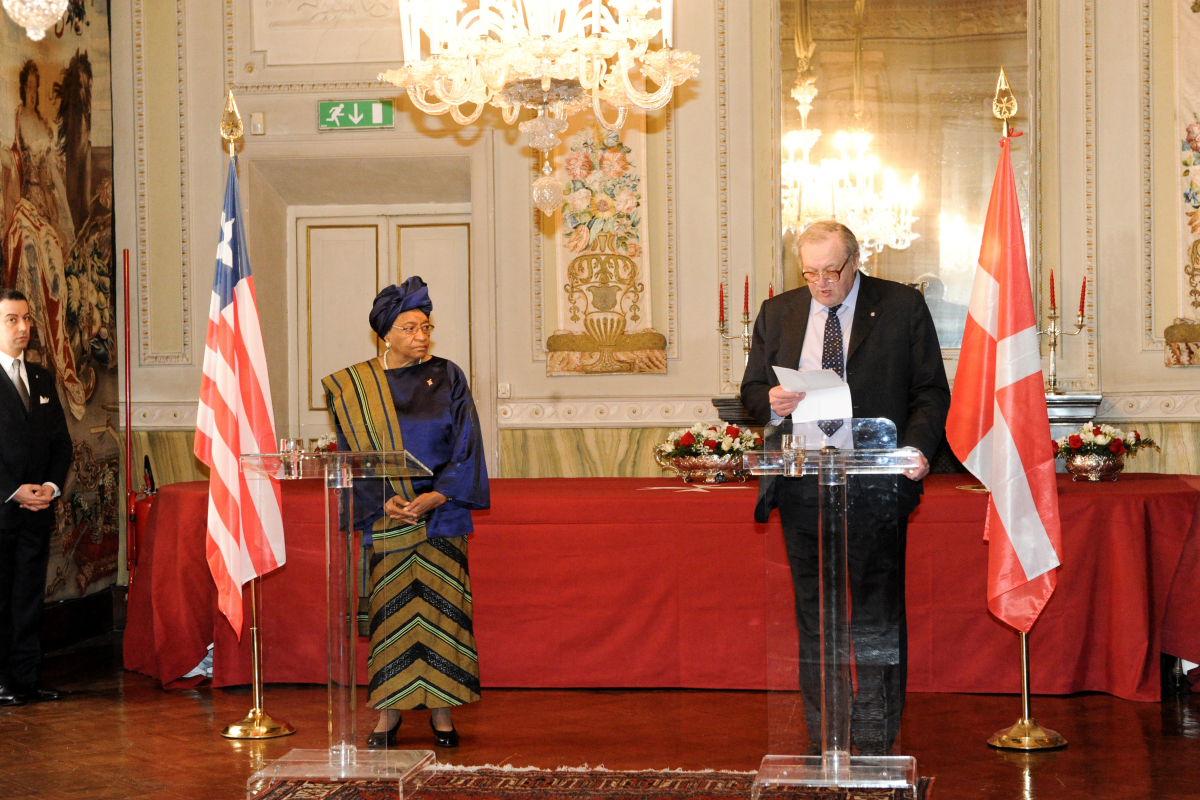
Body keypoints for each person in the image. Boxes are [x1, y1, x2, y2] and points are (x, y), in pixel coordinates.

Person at [741, 221, 950, 754]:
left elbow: (930, 390)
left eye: (830, 272)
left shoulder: (901, 305)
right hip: (802, 484)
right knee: (813, 609)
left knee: (876, 610)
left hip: (876, 483)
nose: (820, 284)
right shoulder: (778, 312)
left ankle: (876, 731)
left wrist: (919, 450)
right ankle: (826, 731)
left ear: (856, 260)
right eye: (809, 273)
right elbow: (749, 392)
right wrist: (772, 400)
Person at [322, 276, 489, 749]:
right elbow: (350, 458)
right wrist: (385, 501)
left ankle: (442, 712)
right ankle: (387, 716)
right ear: (386, 334)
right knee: (391, 617)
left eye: (427, 326)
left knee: (443, 614)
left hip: (440, 512)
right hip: (387, 515)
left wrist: (440, 495)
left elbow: (467, 443)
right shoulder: (352, 387)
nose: (422, 336)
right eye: (411, 327)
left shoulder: (449, 375)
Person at [0, 287, 73, 706]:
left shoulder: (42, 378)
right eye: (12, 319)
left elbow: (61, 443)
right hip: (3, 510)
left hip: (37, 512)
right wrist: (13, 491)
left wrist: (49, 487)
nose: (24, 327)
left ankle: (25, 680)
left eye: (26, 318)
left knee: (28, 598)